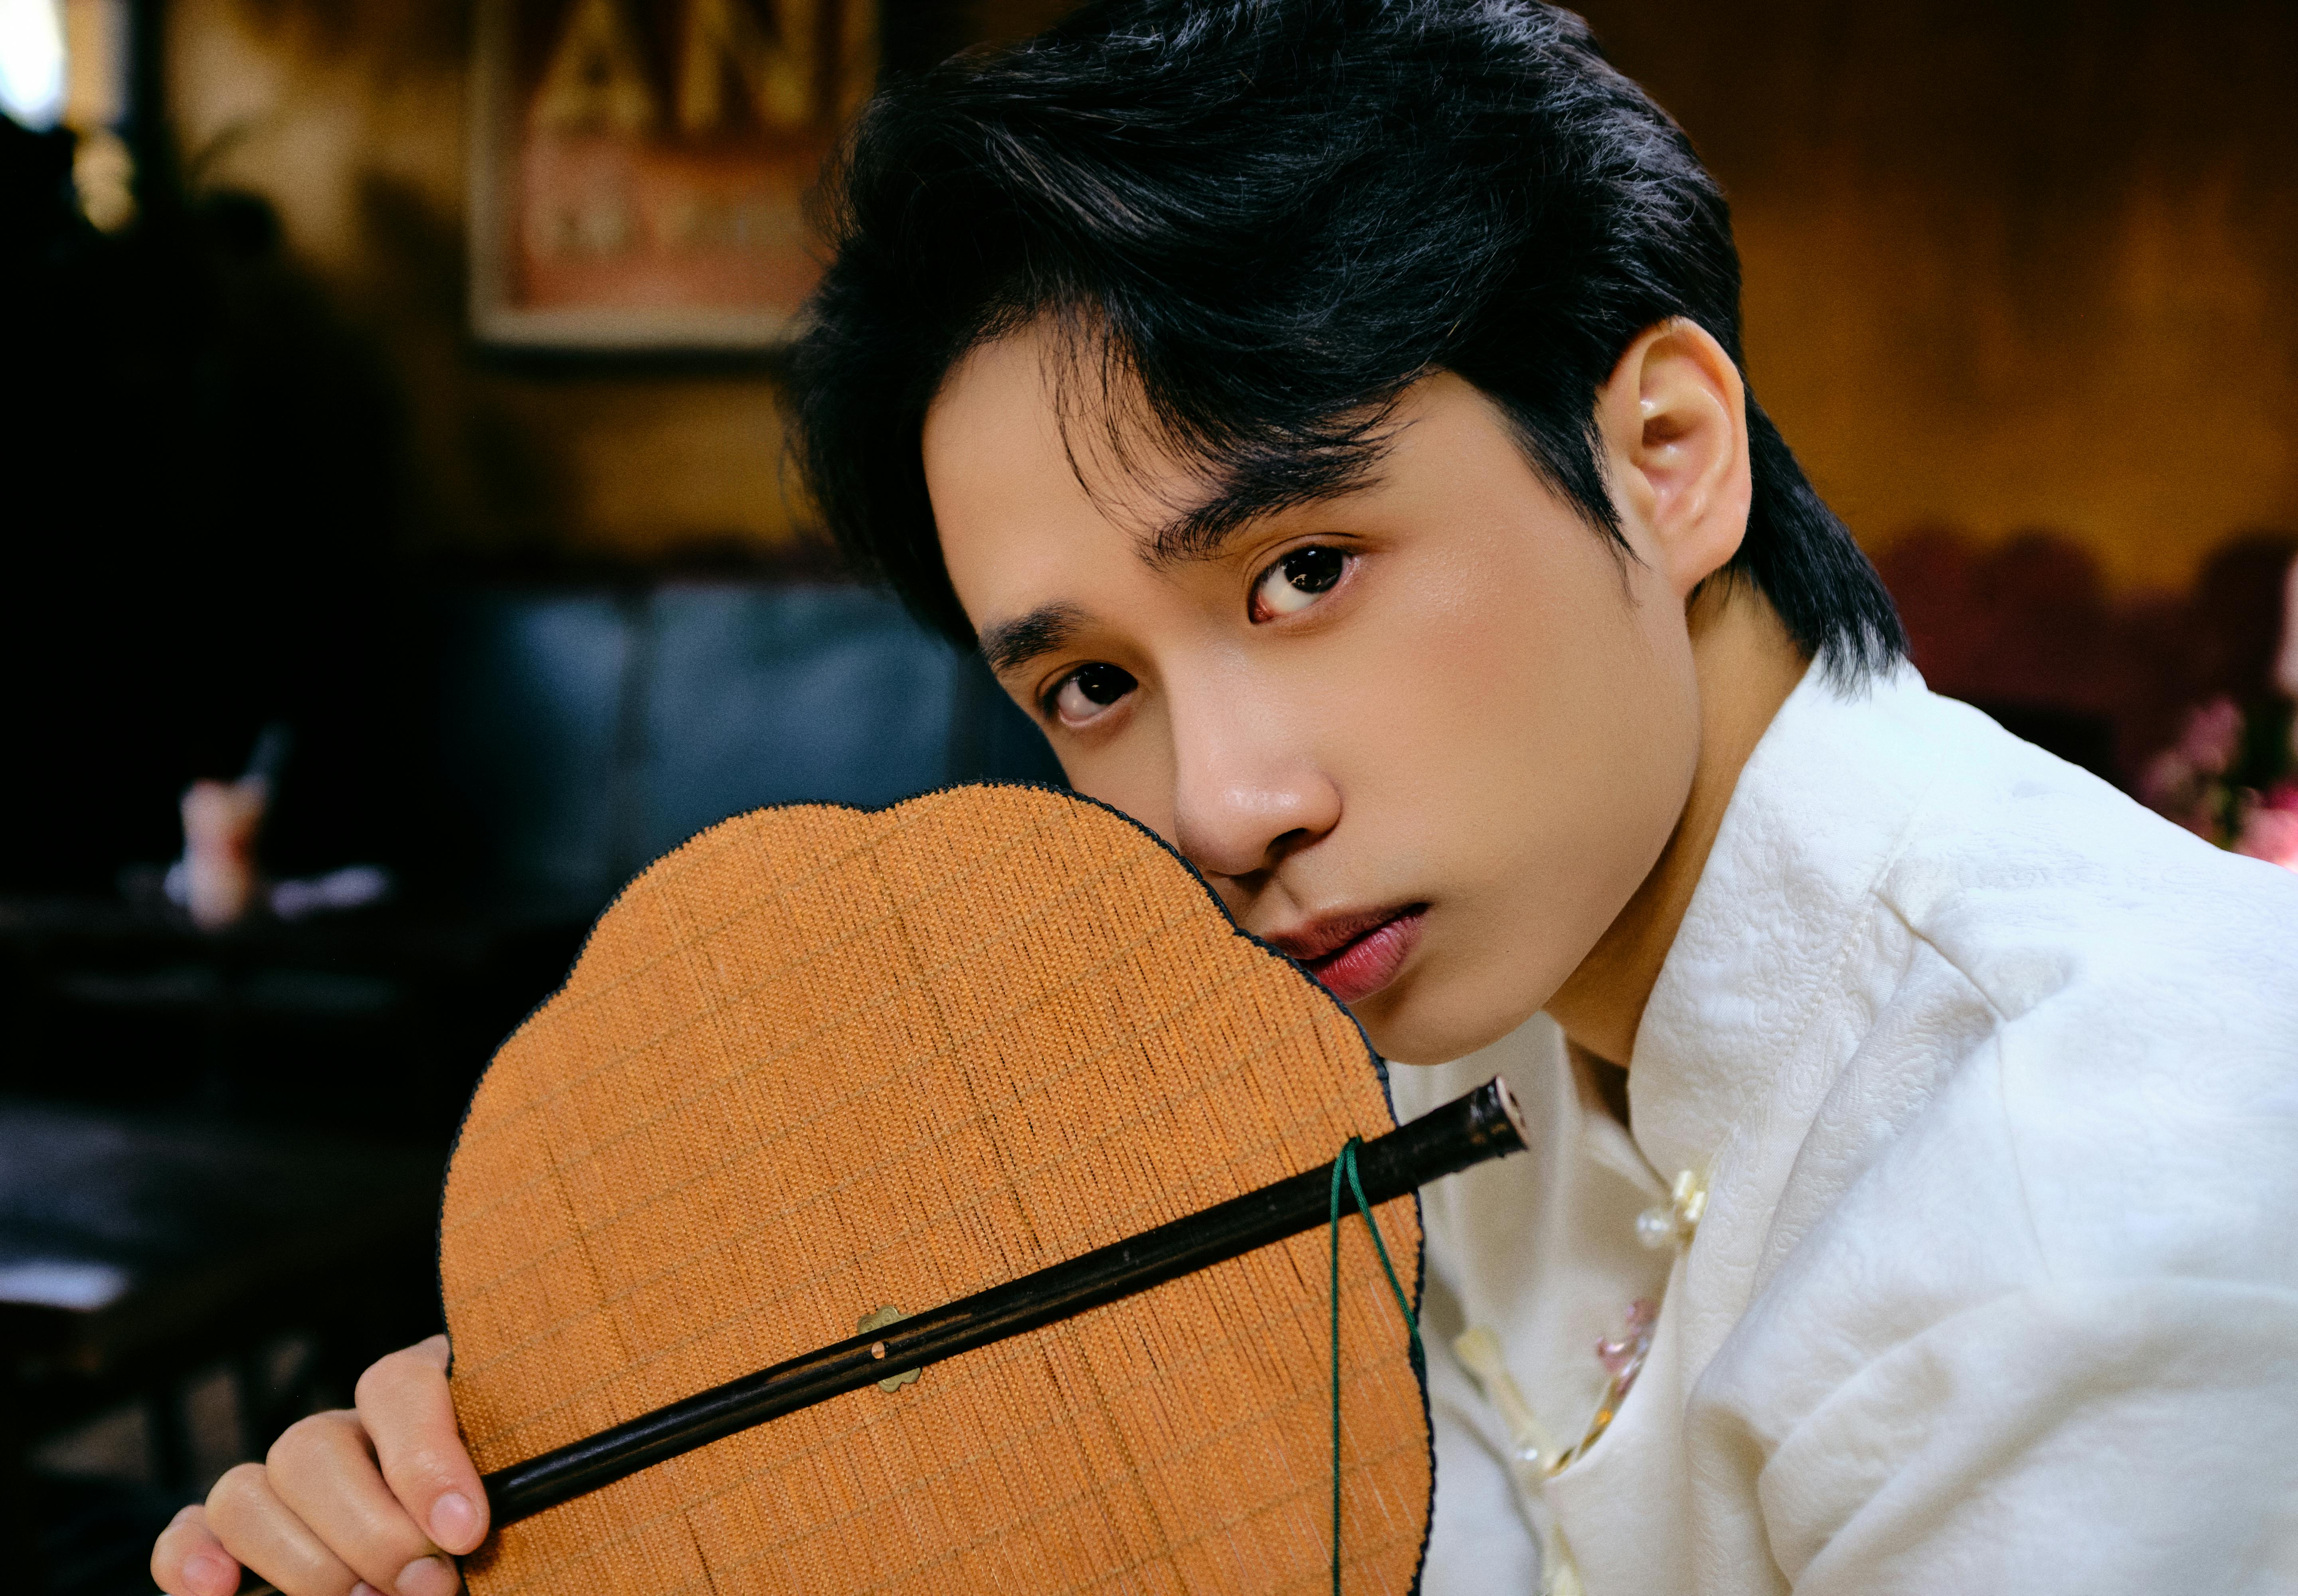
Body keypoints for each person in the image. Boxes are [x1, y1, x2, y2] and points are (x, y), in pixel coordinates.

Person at [153, 1, 2298, 1592]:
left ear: (1665, 456)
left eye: (1303, 570)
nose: (1225, 805)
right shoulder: (1486, 1016)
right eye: (1091, 684)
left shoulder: (2095, 1215)